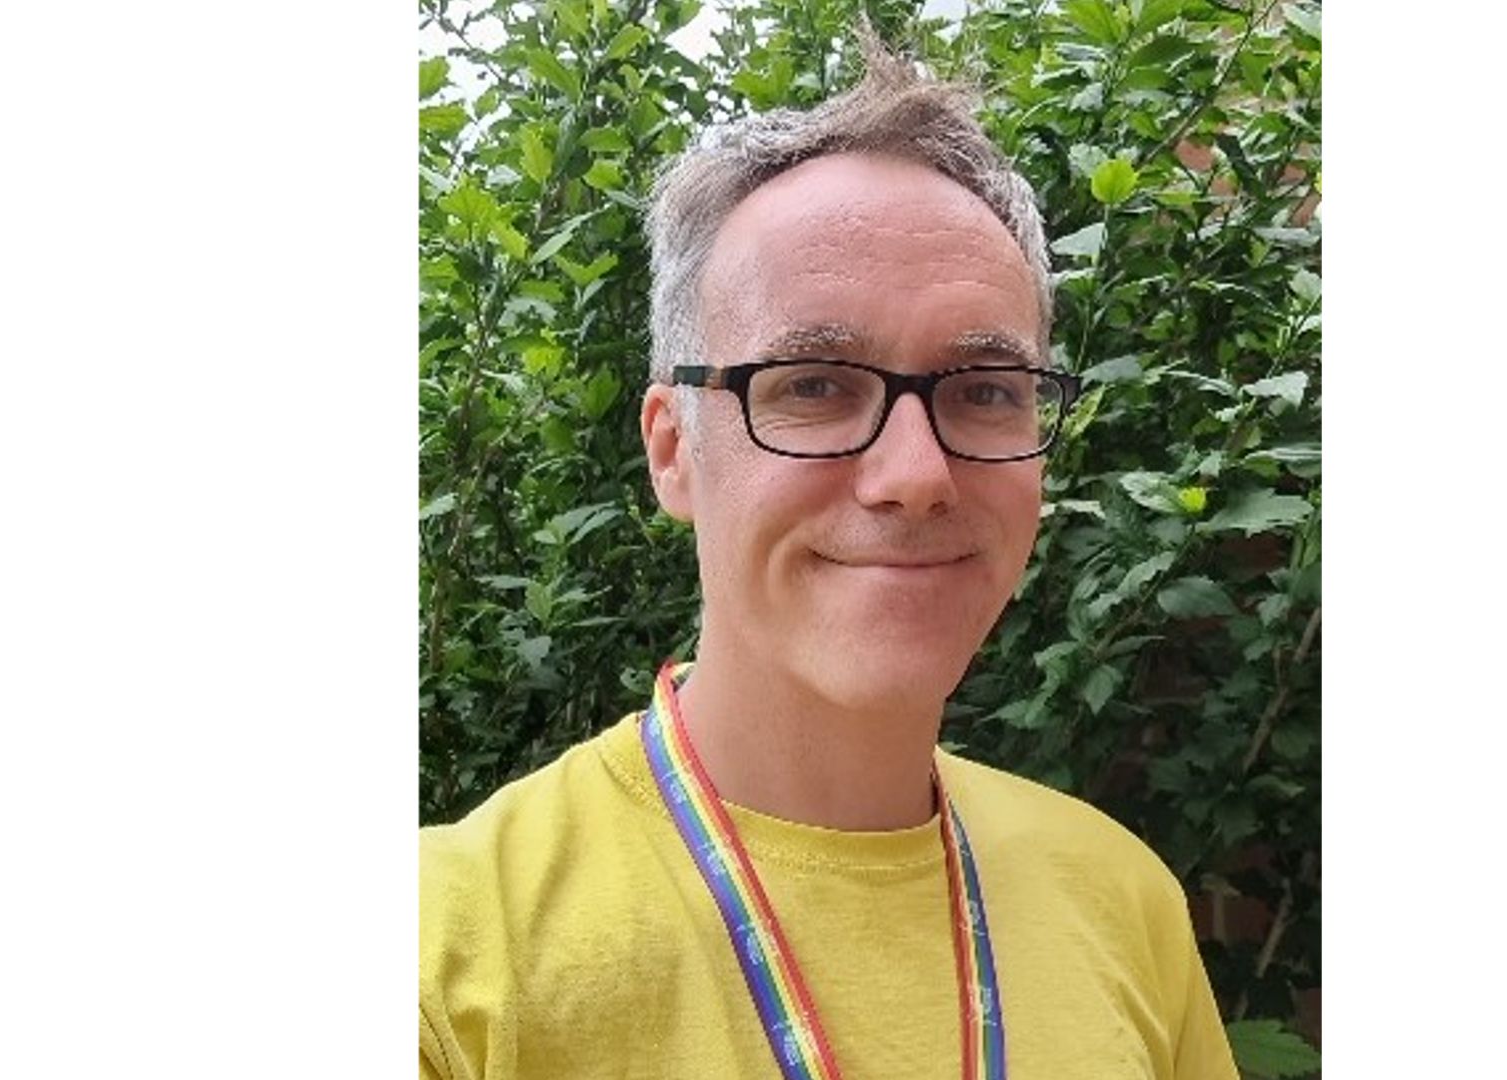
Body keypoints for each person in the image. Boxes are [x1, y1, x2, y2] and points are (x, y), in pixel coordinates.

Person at [419, 34, 1239, 1080]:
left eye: (984, 390)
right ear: (674, 451)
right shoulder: (448, 967)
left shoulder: (1122, 898)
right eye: (813, 384)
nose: (915, 473)